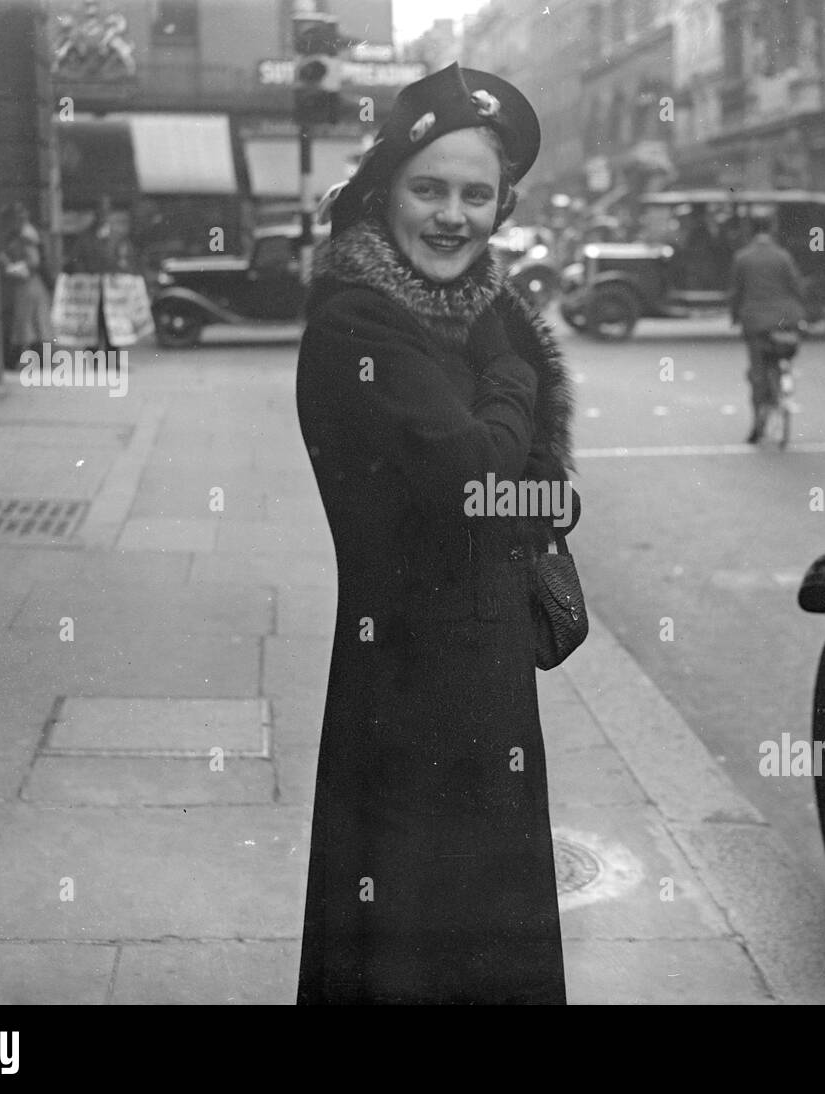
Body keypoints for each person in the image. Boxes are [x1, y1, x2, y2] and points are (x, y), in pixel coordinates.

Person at [294, 63, 577, 1004]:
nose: (453, 214)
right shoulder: (363, 321)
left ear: (500, 207)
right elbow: (477, 482)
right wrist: (517, 383)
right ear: (384, 193)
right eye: (428, 189)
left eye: (475, 193)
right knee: (413, 956)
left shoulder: (464, 315)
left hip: (480, 680)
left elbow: (540, 500)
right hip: (408, 693)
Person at [729, 213, 806, 442]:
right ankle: (783, 382)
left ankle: (757, 425)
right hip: (785, 320)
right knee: (783, 355)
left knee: (757, 373)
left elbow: (736, 292)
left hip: (755, 323)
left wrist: (734, 316)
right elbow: (796, 285)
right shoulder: (783, 256)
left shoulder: (742, 258)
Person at [65, 194, 130, 351]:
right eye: (99, 213)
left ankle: (112, 363)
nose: (102, 216)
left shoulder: (117, 237)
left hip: (111, 291)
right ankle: (93, 363)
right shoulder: (84, 237)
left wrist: (119, 272)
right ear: (95, 215)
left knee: (112, 326)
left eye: (105, 213)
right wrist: (85, 275)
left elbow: (124, 261)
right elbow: (75, 260)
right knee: (92, 327)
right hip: (91, 291)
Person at [0, 202, 53, 370]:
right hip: (30, 285)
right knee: (34, 323)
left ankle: (13, 360)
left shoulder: (26, 235)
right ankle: (39, 360)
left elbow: (33, 262)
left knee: (25, 323)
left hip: (27, 284)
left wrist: (12, 267)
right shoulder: (22, 234)